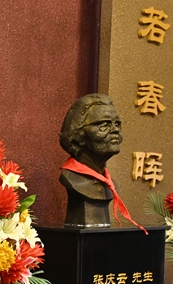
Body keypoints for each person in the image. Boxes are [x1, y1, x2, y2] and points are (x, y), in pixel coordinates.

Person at [58, 93, 140, 228]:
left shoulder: (109, 184)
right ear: (78, 134)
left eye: (117, 124)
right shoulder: (72, 180)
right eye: (104, 125)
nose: (115, 130)